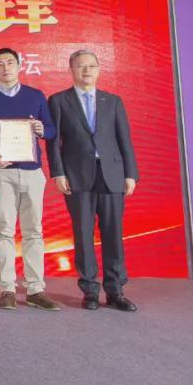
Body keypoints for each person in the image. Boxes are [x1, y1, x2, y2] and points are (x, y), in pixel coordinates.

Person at [47, 49, 139, 312]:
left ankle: (115, 290)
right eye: (80, 66)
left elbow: (124, 140)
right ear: (71, 70)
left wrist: (130, 174)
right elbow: (54, 142)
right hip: (77, 175)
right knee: (83, 234)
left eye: (91, 66)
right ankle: (89, 290)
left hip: (112, 174)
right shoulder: (59, 100)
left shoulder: (113, 101)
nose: (86, 70)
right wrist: (58, 173)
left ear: (99, 69)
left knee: (113, 233)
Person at [0, 47, 60, 311]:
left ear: (20, 65)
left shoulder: (36, 95)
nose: (5, 68)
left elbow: (52, 130)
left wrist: (42, 129)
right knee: (4, 230)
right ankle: (7, 288)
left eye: (10, 62)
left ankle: (35, 289)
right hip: (2, 172)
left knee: (34, 231)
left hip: (32, 171)